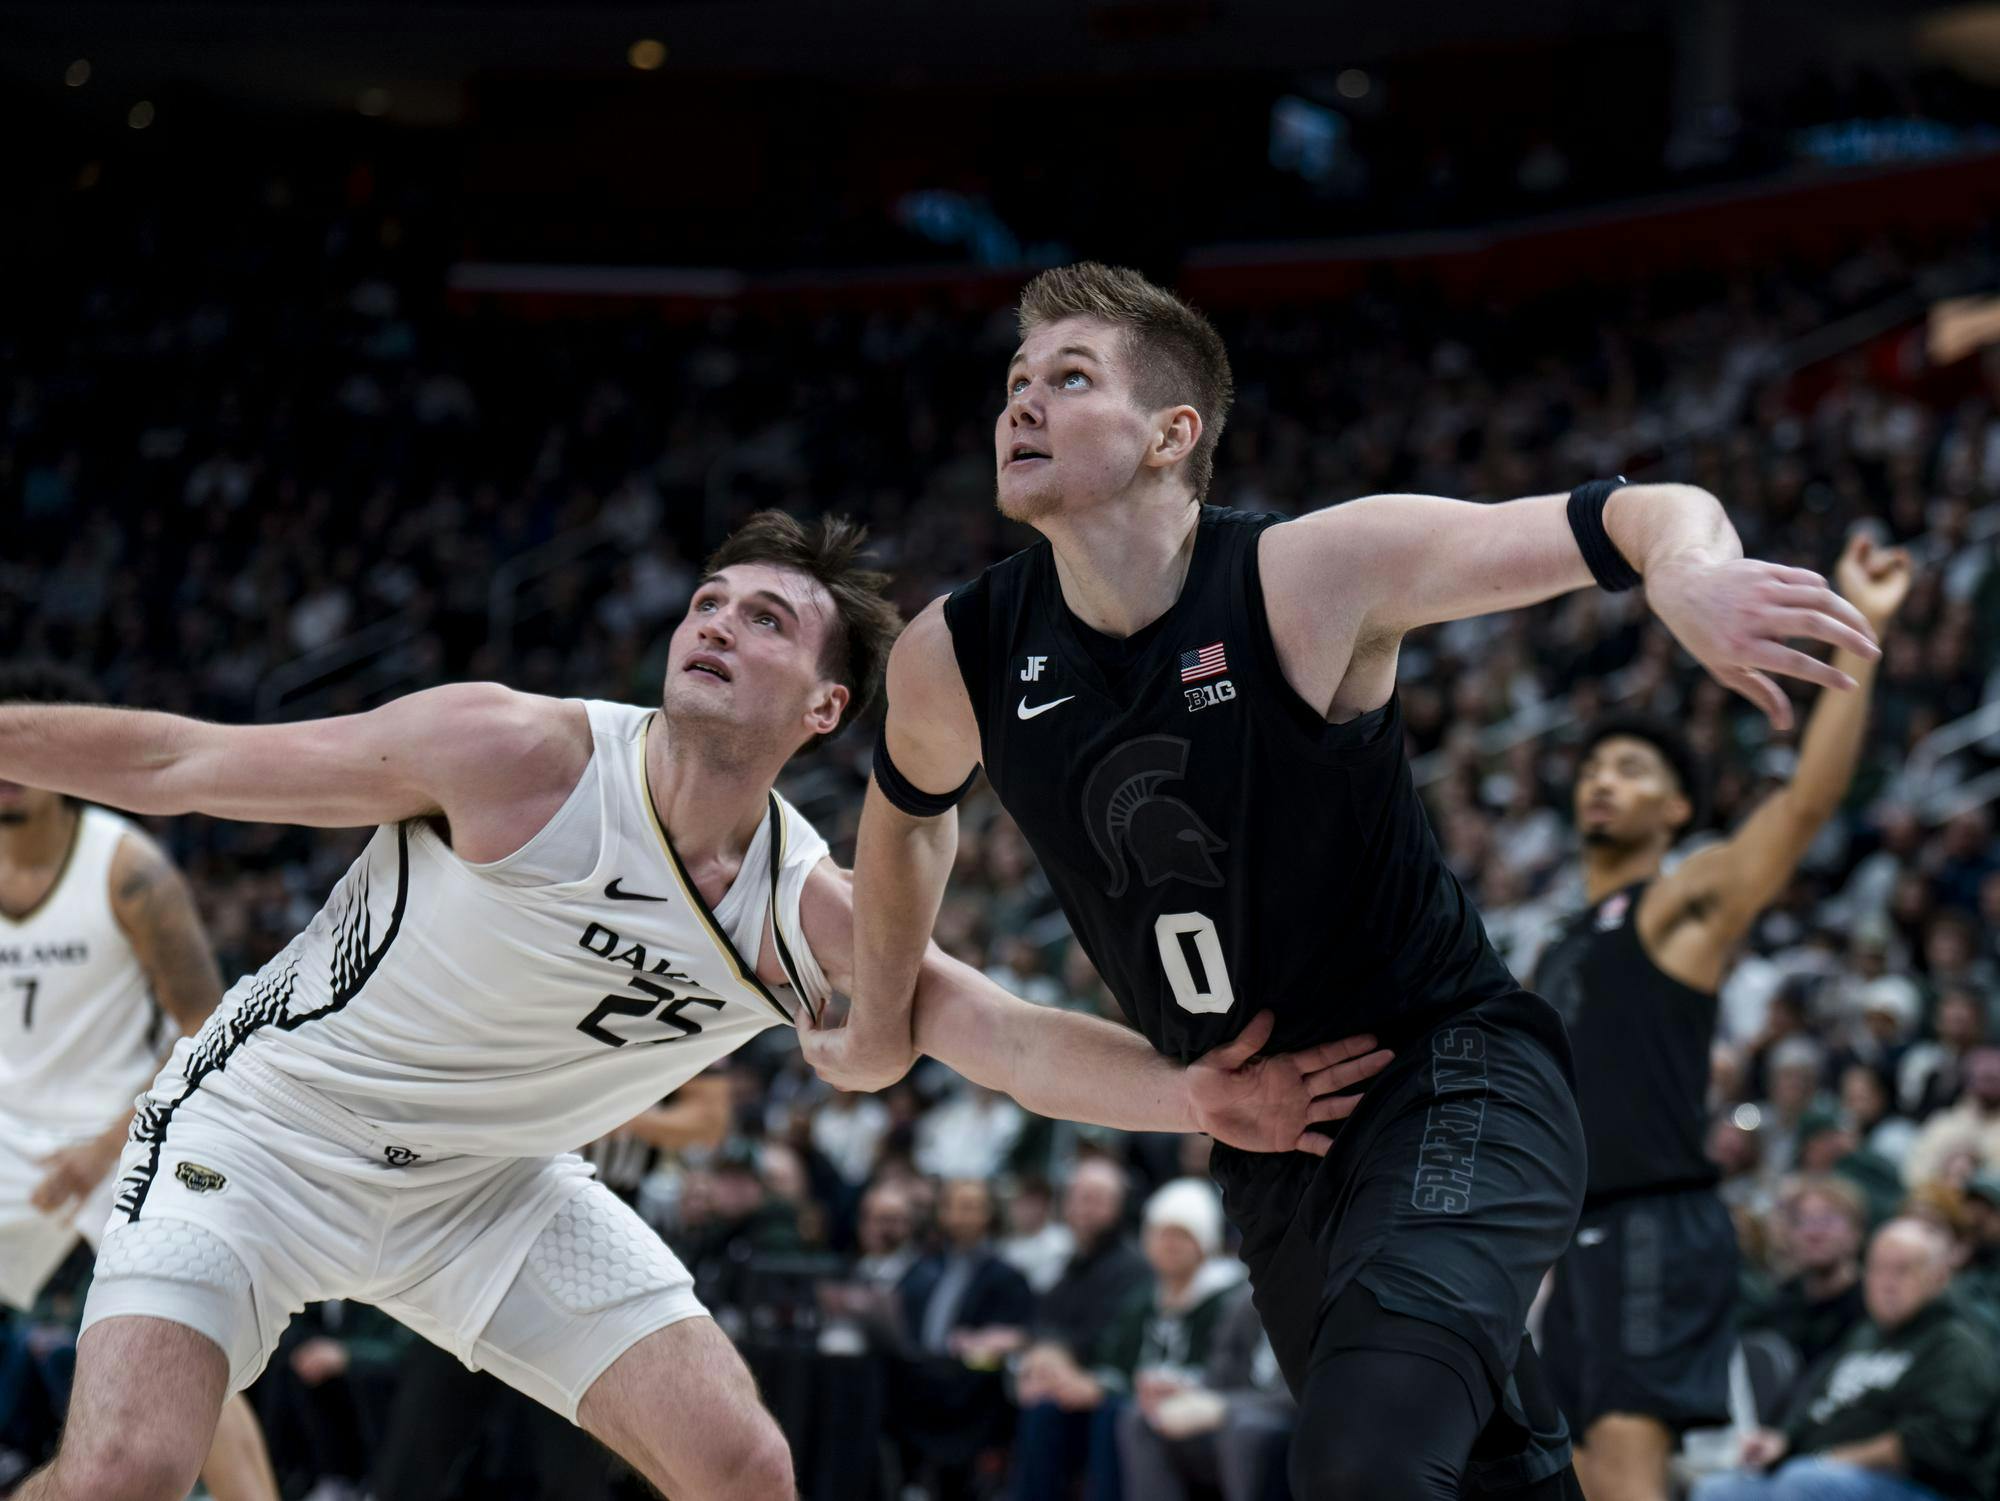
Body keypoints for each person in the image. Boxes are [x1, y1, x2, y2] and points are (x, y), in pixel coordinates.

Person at [0, 512, 1389, 1501]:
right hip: (258, 1139)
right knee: (127, 1470)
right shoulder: (515, 754)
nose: (719, 622)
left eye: (766, 617)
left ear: (828, 704)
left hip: (488, 1190)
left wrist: (1196, 1096)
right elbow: (186, 760)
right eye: (710, 601)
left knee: (745, 1466)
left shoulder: (806, 905)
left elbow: (1000, 1032)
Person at [806, 261, 1882, 1501]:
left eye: (1066, 378)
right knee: (1477, 1472)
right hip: (1270, 1148)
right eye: (1012, 383)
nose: (1020, 406)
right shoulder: (965, 648)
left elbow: (1641, 511)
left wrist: (1685, 573)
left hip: (1449, 1079)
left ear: (1173, 434)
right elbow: (903, 819)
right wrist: (880, 1018)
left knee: (1359, 1467)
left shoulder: (1306, 577)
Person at [1533, 535, 1911, 1501]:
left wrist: (1861, 638)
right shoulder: (1563, 936)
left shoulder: (1677, 902)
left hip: (1654, 1218)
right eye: (1595, 767)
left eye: (1632, 768)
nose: (1603, 780)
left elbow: (1802, 808)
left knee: (1626, 1473)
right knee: (1577, 1476)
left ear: (1676, 808)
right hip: (1577, 1234)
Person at [0, 663, 279, 1501]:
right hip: (10, 1137)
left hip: (125, 1136)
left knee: (179, 1346)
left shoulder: (129, 869)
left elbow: (208, 1030)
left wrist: (102, 1145)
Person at [1692, 1218, 2000, 1501]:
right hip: (1823, 1473)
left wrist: (1830, 1459)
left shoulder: (1956, 1345)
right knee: (1720, 1490)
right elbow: (1817, 1409)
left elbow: (1933, 1445)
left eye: (1904, 1269)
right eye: (1878, 1268)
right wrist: (1782, 1443)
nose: (1887, 1283)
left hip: (1922, 1488)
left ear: (1939, 1277)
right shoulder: (1863, 1336)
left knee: (1804, 1481)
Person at [1741, 1175, 1870, 1378]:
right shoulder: (1778, 1303)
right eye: (1801, 1221)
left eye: (1828, 1221)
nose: (1814, 1233)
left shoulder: (1871, 1306)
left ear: (1856, 1232)